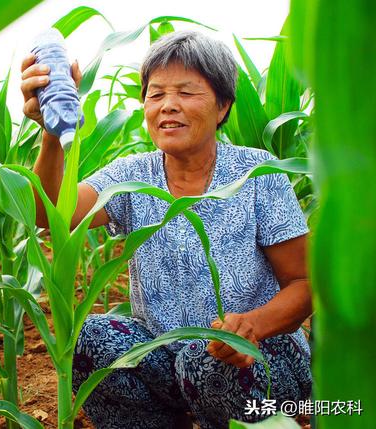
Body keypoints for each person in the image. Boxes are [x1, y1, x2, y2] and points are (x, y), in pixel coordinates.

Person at [20, 30, 312, 429]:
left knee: (204, 360)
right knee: (88, 337)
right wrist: (50, 130)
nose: (167, 106)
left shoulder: (257, 173)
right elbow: (53, 212)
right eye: (155, 95)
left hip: (258, 356)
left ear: (223, 106)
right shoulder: (133, 175)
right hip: (166, 356)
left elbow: (304, 282)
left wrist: (251, 325)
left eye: (187, 93)